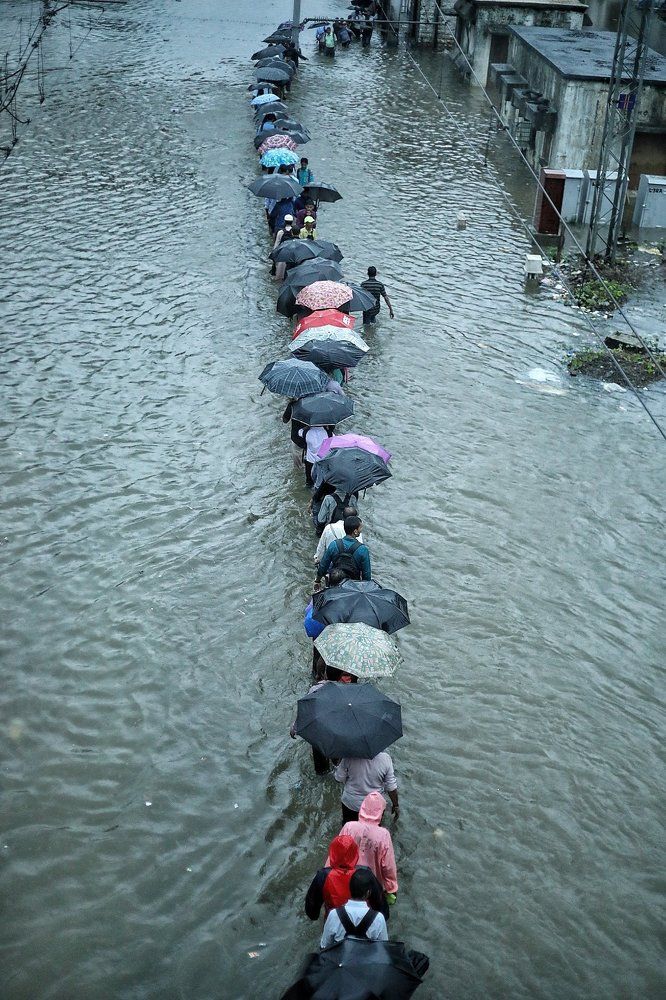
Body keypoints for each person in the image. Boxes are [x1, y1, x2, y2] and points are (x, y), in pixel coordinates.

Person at [305, 835, 389, 922]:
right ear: (355, 852)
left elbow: (312, 908)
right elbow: (381, 905)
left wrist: (314, 915)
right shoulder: (365, 874)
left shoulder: (323, 875)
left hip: (333, 922)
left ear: (332, 852)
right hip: (362, 923)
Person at [335, 791, 398, 901]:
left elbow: (336, 853)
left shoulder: (349, 827)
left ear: (362, 808)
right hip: (371, 885)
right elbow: (388, 866)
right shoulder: (383, 834)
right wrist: (391, 888)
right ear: (381, 813)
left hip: (346, 881)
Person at [320, 869, 388, 948]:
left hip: (340, 959)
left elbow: (324, 946)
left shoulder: (333, 914)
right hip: (367, 959)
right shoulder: (378, 918)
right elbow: (384, 948)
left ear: (350, 888)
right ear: (368, 893)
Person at [334, 750, 399, 822]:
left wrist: (340, 762)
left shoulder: (348, 757)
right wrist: (395, 805)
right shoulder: (385, 759)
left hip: (351, 804)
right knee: (372, 831)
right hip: (375, 806)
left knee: (349, 830)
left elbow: (338, 779)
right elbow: (391, 787)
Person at [316, 515, 370, 582]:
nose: (361, 530)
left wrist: (317, 581)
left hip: (335, 581)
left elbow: (323, 566)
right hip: (353, 586)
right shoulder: (362, 549)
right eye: (360, 528)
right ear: (355, 531)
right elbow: (366, 575)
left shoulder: (334, 544)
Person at [282, 398, 307, 469]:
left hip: (296, 437)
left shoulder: (293, 405)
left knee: (298, 463)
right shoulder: (314, 404)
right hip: (309, 436)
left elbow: (285, 420)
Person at [273, 215, 298, 279]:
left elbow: (277, 244)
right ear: (292, 222)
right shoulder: (295, 230)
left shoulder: (281, 232)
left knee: (280, 274)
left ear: (284, 221)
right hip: (292, 254)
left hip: (282, 254)